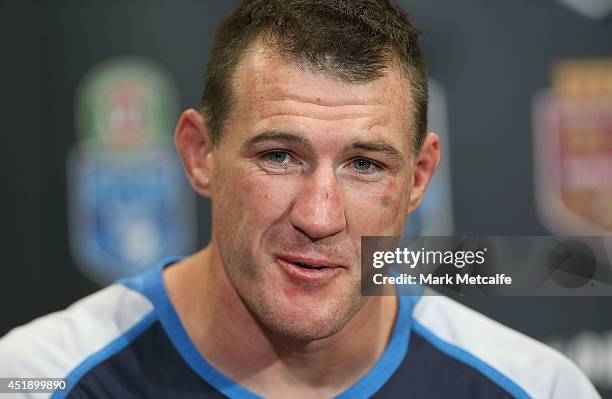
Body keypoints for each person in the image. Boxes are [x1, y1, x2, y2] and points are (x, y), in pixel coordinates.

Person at [0, 0, 600, 398]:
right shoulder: (37, 379)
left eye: (364, 165)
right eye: (279, 156)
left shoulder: (536, 389)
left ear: (419, 177)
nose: (319, 217)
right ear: (199, 153)